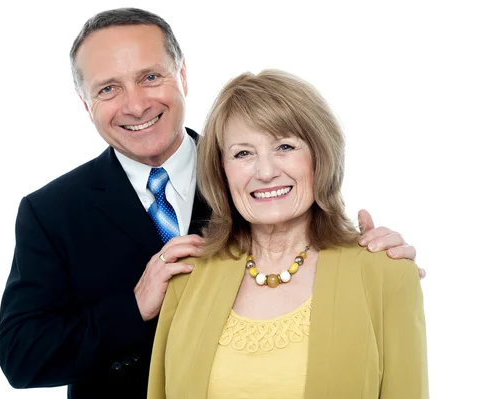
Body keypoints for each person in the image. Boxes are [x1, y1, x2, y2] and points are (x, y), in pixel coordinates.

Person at [0, 8, 422, 399]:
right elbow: (21, 357)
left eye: (150, 77)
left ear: (182, 75)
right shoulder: (51, 212)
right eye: (108, 88)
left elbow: (312, 218)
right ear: (86, 105)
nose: (137, 104)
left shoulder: (248, 175)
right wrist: (134, 308)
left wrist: (371, 259)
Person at [147, 69, 428, 398]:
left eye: (284, 146)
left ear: (320, 157)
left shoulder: (386, 273)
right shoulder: (187, 277)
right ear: (222, 172)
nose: (266, 172)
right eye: (243, 153)